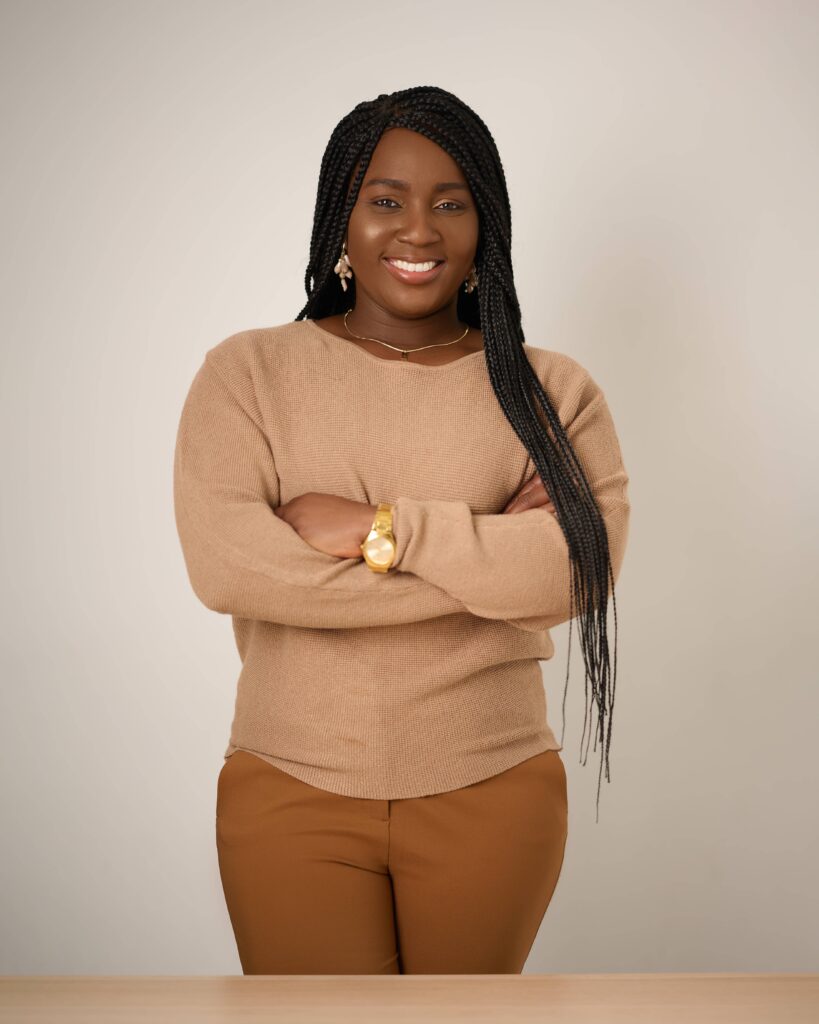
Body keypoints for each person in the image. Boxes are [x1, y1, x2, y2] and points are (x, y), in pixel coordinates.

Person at [173, 85, 630, 975]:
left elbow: (577, 572)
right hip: (289, 782)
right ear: (341, 221)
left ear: (483, 223)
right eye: (385, 200)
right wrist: (488, 564)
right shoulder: (248, 374)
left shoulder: (550, 393)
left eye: (449, 204)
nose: (417, 231)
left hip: (494, 784)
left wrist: (379, 530)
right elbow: (228, 567)